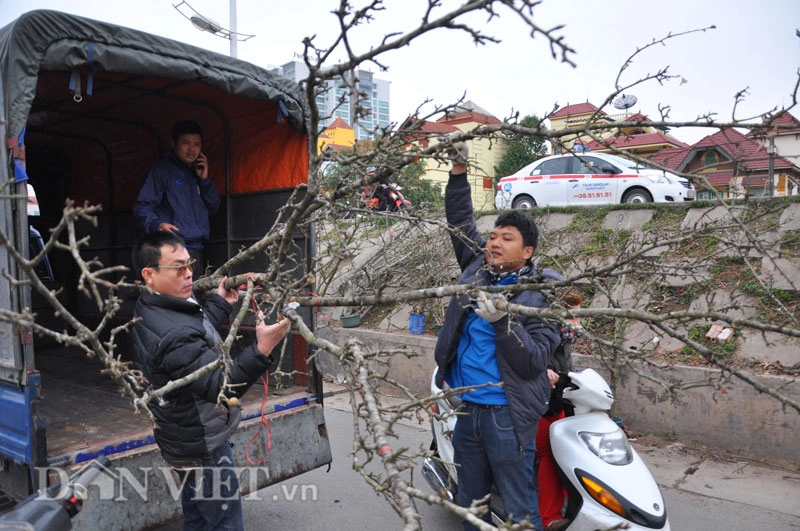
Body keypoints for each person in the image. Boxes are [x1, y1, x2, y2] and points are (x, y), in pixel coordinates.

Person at [433, 142, 561, 531]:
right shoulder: (477, 268)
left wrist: (504, 324)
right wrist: (458, 169)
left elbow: (535, 359)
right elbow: (459, 220)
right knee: (470, 503)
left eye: (506, 238)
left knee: (519, 507)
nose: (493, 243)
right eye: (492, 236)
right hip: (467, 408)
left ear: (527, 251)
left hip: (505, 413)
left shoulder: (543, 289)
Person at [130, 231, 290, 531]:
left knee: (199, 516)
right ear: (149, 274)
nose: (189, 273)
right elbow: (221, 388)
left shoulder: (155, 305)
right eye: (178, 268)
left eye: (189, 264)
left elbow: (193, 332)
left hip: (183, 440)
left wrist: (220, 304)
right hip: (202, 447)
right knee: (224, 522)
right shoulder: (171, 333)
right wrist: (262, 349)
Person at [134, 120, 221, 279]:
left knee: (194, 298)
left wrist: (205, 181)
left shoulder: (196, 174)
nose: (192, 149)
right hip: (172, 250)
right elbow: (142, 206)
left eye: (197, 144)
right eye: (186, 143)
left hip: (197, 249)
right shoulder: (161, 171)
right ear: (173, 144)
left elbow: (214, 208)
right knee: (176, 299)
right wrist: (157, 224)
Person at [535, 291, 583, 531]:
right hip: (537, 407)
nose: (576, 322)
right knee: (548, 454)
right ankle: (549, 517)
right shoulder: (544, 337)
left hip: (555, 403)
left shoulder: (564, 341)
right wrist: (542, 372)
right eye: (571, 316)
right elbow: (530, 361)